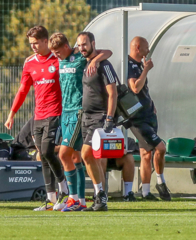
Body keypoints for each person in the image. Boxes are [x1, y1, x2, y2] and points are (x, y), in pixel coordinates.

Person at [4, 26, 68, 211]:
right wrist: (12, 113)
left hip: (56, 113)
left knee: (48, 151)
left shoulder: (58, 60)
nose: (32, 46)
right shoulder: (29, 63)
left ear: (45, 41)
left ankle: (64, 189)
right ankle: (50, 200)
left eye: (35, 43)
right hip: (38, 116)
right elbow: (23, 90)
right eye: (30, 43)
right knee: (42, 156)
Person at [48, 32, 112, 211]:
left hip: (78, 111)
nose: (56, 56)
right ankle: (81, 201)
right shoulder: (59, 60)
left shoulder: (80, 55)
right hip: (65, 111)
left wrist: (94, 61)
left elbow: (108, 52)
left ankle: (73, 198)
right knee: (76, 157)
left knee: (63, 154)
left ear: (67, 47)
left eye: (58, 52)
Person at [122, 36, 170, 201]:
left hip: (148, 113)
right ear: (137, 47)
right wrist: (146, 70)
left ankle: (146, 192)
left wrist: (151, 103)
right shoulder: (128, 65)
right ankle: (160, 181)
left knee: (146, 155)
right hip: (137, 117)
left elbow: (143, 90)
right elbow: (135, 88)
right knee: (161, 148)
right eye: (146, 47)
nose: (148, 51)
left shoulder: (138, 65)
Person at [77, 32, 118, 211]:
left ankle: (100, 195)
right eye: (79, 45)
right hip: (86, 116)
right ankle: (100, 197)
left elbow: (113, 93)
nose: (82, 48)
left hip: (99, 117)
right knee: (92, 158)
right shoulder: (84, 62)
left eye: (85, 44)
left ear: (93, 43)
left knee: (86, 154)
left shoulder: (104, 65)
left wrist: (109, 117)